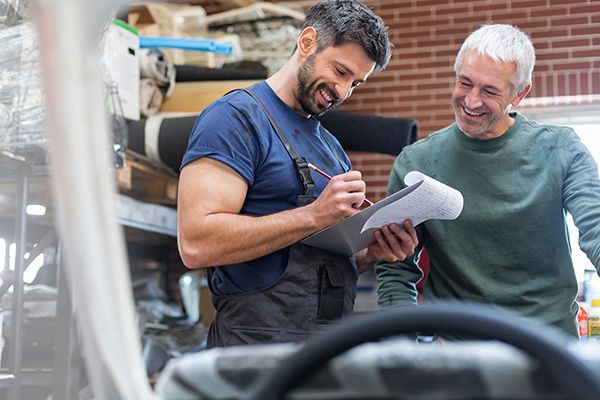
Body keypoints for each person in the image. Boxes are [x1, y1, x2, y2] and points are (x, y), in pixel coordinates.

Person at [177, 0, 418, 348]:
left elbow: (320, 265)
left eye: (356, 83)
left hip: (325, 350)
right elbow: (196, 243)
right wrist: (314, 215)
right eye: (340, 71)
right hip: (254, 353)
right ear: (307, 43)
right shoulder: (236, 118)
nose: (343, 92)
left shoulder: (333, 150)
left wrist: (371, 253)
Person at [376, 23, 600, 338]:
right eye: (464, 83)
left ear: (520, 93)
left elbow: (596, 228)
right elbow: (395, 269)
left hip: (548, 349)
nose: (471, 101)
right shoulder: (417, 164)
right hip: (456, 354)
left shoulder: (561, 149)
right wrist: (402, 350)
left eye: (490, 91)